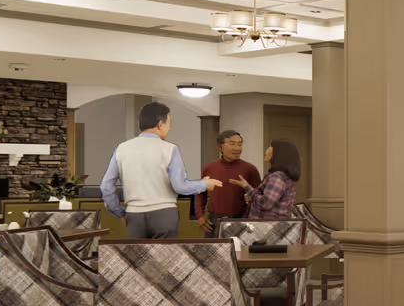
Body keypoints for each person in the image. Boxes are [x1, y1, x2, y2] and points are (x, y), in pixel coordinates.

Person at [101, 102, 224, 240]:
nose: (169, 128)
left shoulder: (122, 149)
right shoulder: (169, 149)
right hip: (164, 214)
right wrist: (204, 185)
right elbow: (180, 186)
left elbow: (106, 187)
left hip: (134, 215)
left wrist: (120, 213)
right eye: (169, 123)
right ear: (160, 124)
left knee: (137, 260)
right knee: (164, 260)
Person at [198, 129, 261, 233]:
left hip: (241, 221)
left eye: (239, 144)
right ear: (220, 147)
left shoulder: (250, 169)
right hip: (213, 222)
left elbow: (259, 197)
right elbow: (200, 194)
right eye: (232, 144)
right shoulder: (209, 168)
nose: (237, 148)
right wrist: (200, 216)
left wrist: (246, 220)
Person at [244, 139, 301, 220]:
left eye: (270, 147)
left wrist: (248, 188)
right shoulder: (284, 176)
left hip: (266, 227)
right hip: (275, 226)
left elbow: (266, 203)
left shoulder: (277, 177)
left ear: (278, 153)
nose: (266, 151)